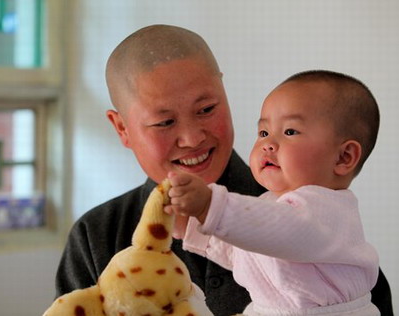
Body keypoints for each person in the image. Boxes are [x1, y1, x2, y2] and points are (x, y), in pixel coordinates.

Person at [54, 25, 393, 316]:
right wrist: (196, 228)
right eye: (165, 122)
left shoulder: (312, 217)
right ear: (122, 128)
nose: (192, 138)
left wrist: (209, 207)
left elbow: (272, 227)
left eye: (206, 109)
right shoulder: (97, 235)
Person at [164, 70, 386, 315]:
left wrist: (210, 206)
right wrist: (193, 228)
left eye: (290, 132)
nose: (268, 144)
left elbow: (278, 229)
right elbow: (250, 253)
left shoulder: (326, 211)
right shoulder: (273, 205)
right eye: (263, 132)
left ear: (343, 157)